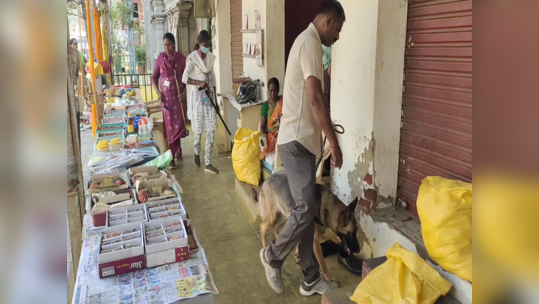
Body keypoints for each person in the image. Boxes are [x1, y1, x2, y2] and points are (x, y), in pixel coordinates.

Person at [259, 1, 345, 296]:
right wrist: (334, 144)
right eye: (338, 29)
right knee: (307, 207)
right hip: (295, 142)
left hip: (303, 144)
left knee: (305, 211)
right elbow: (316, 100)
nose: (338, 36)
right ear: (329, 20)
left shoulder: (311, 46)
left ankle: (310, 277)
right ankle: (272, 256)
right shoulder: (309, 42)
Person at [182, 30, 219, 174]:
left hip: (209, 98)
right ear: (199, 44)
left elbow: (213, 79)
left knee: (210, 130)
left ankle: (208, 162)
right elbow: (184, 78)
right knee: (198, 131)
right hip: (198, 99)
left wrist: (215, 98)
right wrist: (198, 82)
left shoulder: (210, 58)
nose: (206, 48)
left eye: (208, 45)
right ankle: (196, 151)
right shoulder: (192, 59)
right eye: (204, 45)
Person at [151, 33, 188, 170]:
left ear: (174, 44)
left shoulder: (181, 59)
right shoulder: (161, 59)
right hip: (166, 101)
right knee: (170, 128)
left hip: (178, 100)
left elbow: (185, 78)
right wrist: (158, 92)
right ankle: (171, 157)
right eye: (165, 45)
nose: (167, 48)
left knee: (177, 127)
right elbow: (154, 78)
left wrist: (182, 90)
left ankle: (178, 150)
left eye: (169, 45)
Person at [260, 78, 283, 162]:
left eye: (275, 91)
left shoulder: (282, 102)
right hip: (270, 135)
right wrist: (263, 136)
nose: (273, 94)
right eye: (270, 91)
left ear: (278, 91)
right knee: (272, 142)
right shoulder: (265, 106)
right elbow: (262, 126)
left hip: (282, 132)